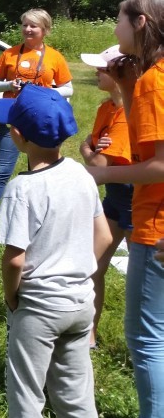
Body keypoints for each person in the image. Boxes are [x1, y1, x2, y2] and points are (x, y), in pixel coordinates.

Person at [0, 85, 109, 418]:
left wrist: (12, 299)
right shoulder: (81, 174)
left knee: (26, 397)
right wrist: (76, 271)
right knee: (75, 396)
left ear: (17, 135)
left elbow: (14, 260)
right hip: (80, 303)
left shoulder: (22, 188)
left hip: (39, 308)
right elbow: (103, 236)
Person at [85, 0, 164, 418]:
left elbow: (160, 165)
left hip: (157, 225)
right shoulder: (149, 79)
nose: (114, 28)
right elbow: (143, 141)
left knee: (148, 339)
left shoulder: (157, 80)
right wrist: (128, 87)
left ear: (141, 23)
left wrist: (101, 175)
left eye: (119, 19)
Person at [0, 9, 73, 227]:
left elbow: (68, 88)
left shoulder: (55, 57)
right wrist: (9, 85)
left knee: (42, 170)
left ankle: (43, 215)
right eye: (25, 25)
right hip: (12, 117)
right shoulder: (9, 54)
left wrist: (45, 91)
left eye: (33, 26)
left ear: (44, 30)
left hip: (40, 119)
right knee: (1, 170)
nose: (27, 29)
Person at [78, 45, 133, 349]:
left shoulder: (126, 114)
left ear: (120, 73)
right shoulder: (105, 108)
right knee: (92, 265)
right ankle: (89, 336)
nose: (97, 73)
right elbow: (96, 158)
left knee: (145, 279)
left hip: (136, 199)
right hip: (113, 196)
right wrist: (91, 151)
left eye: (103, 68)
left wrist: (87, 150)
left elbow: (97, 162)